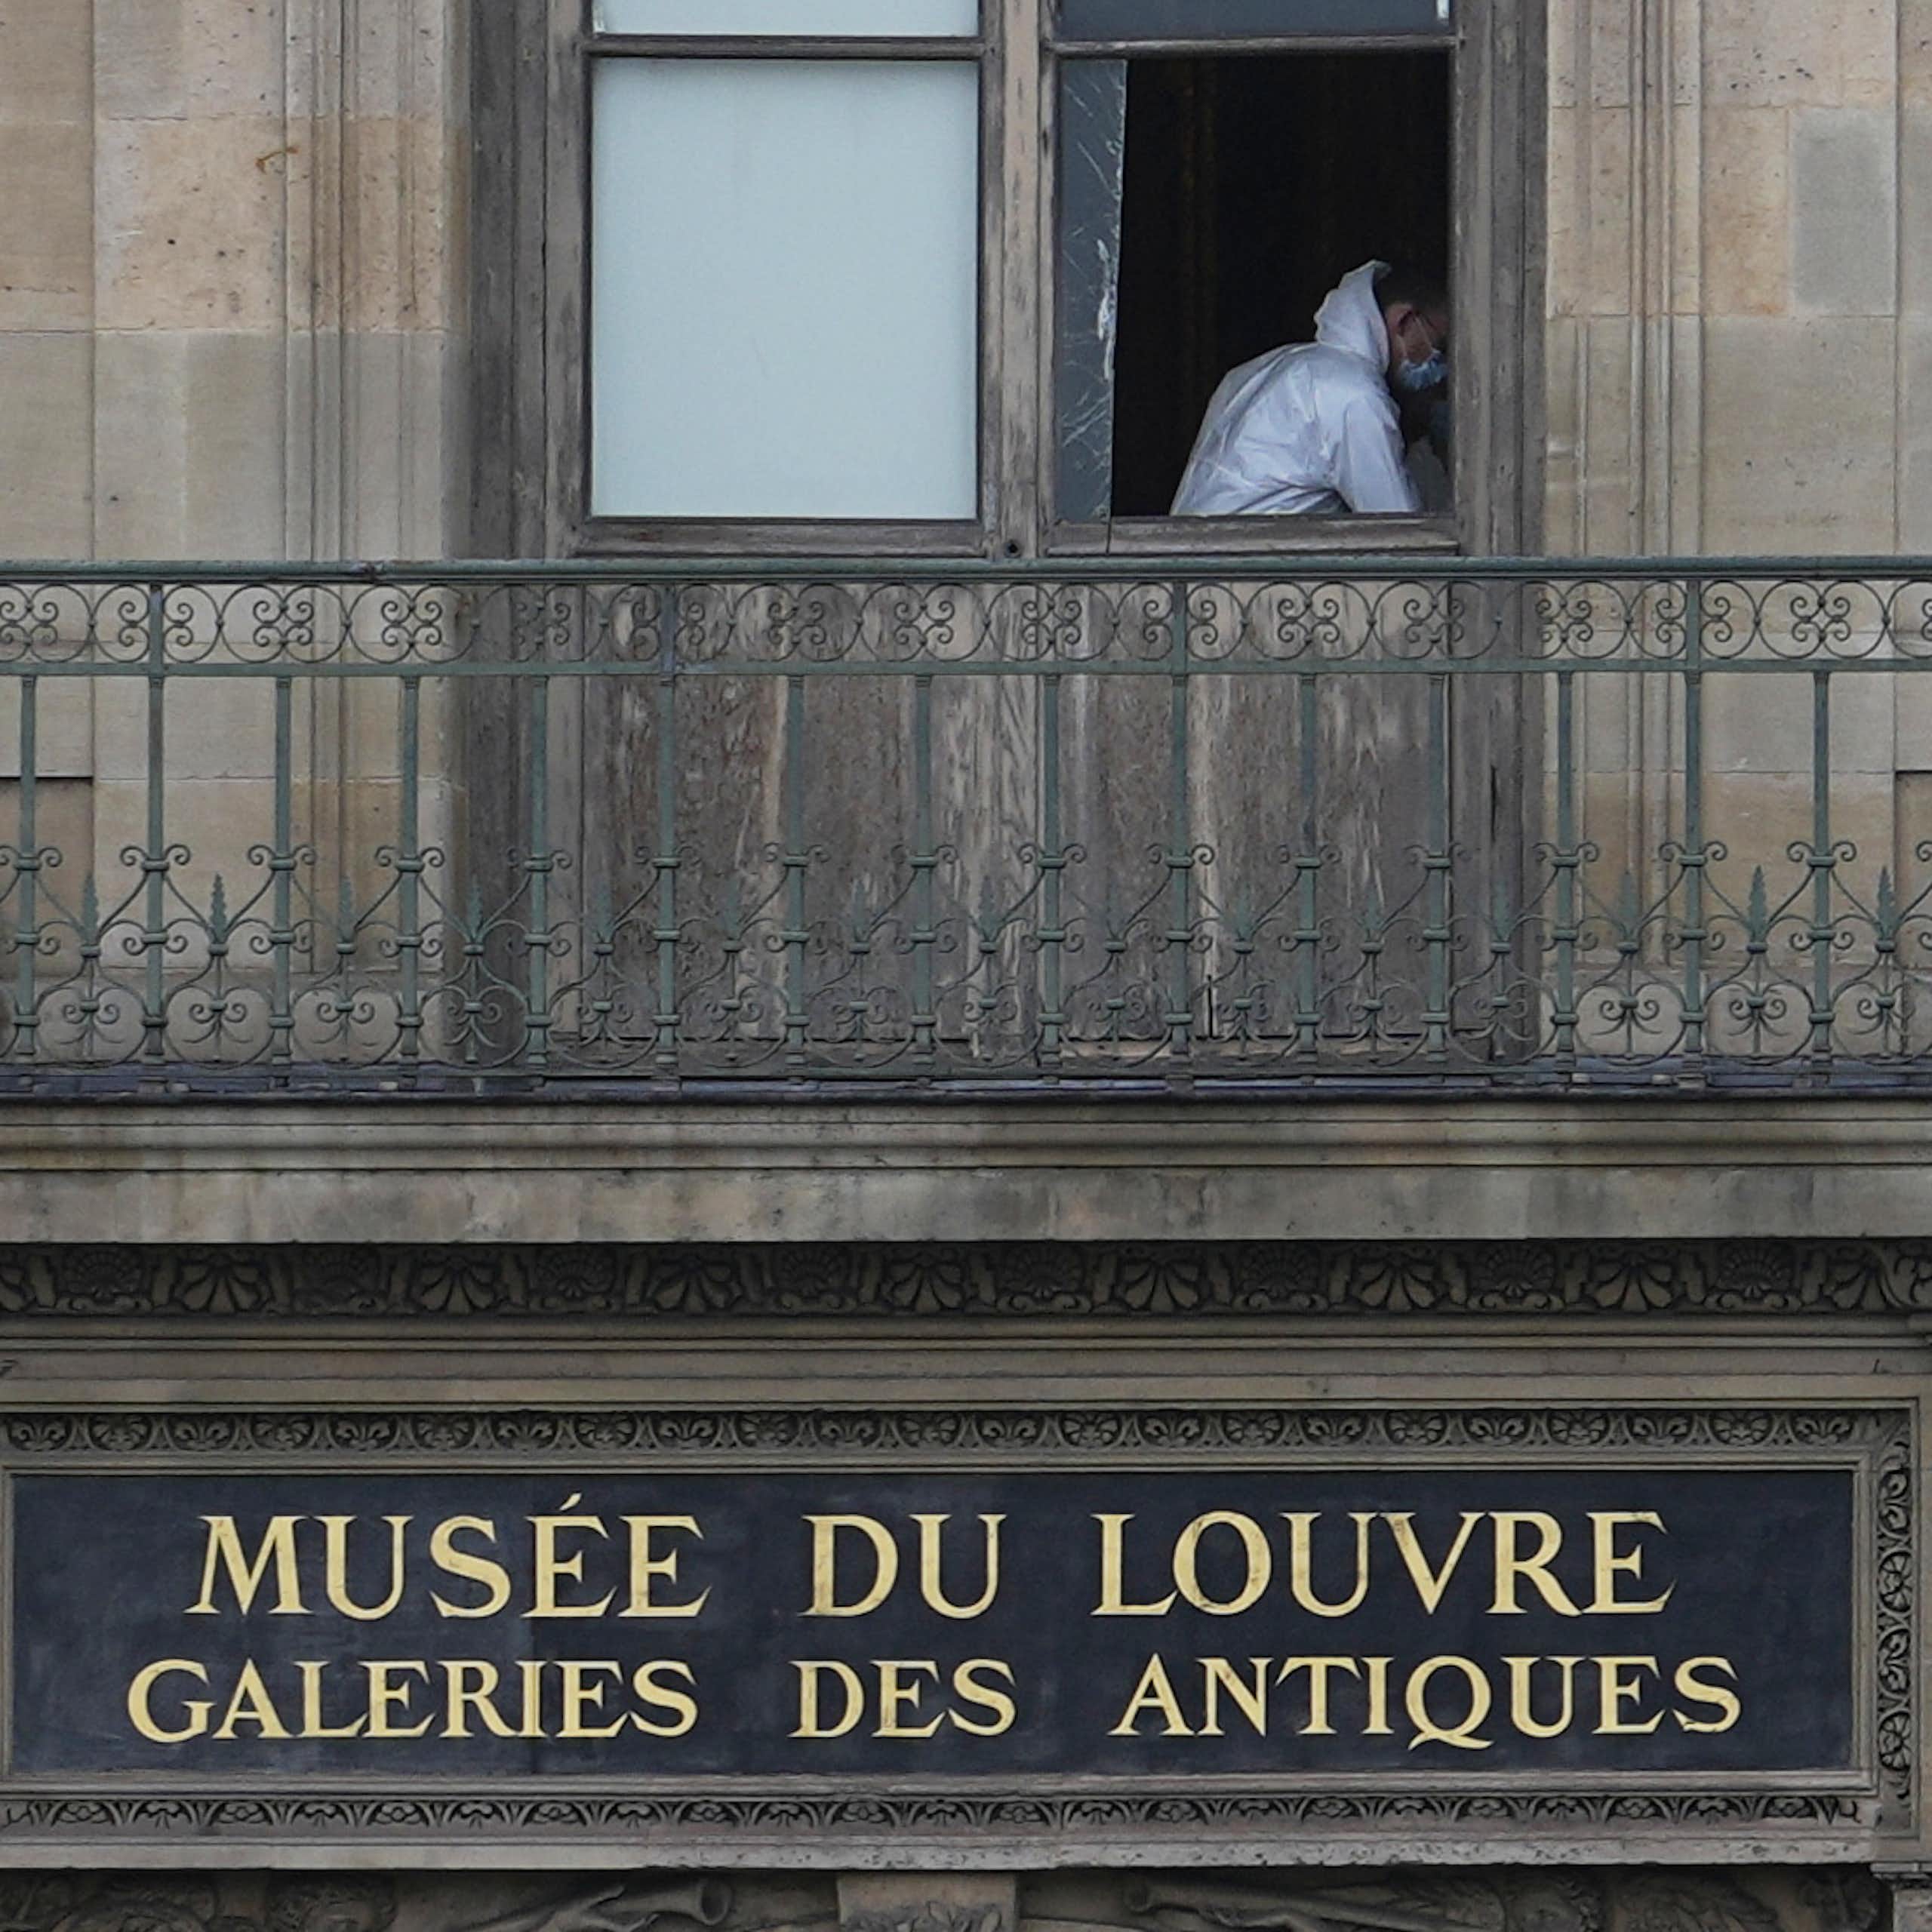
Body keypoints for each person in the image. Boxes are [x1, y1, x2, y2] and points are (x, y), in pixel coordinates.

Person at [1171, 260, 1450, 517]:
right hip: (1246, 565)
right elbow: (1400, 530)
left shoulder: (1266, 368)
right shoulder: (1354, 395)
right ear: (1404, 320)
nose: (1443, 365)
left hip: (1192, 559)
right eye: (1441, 345)